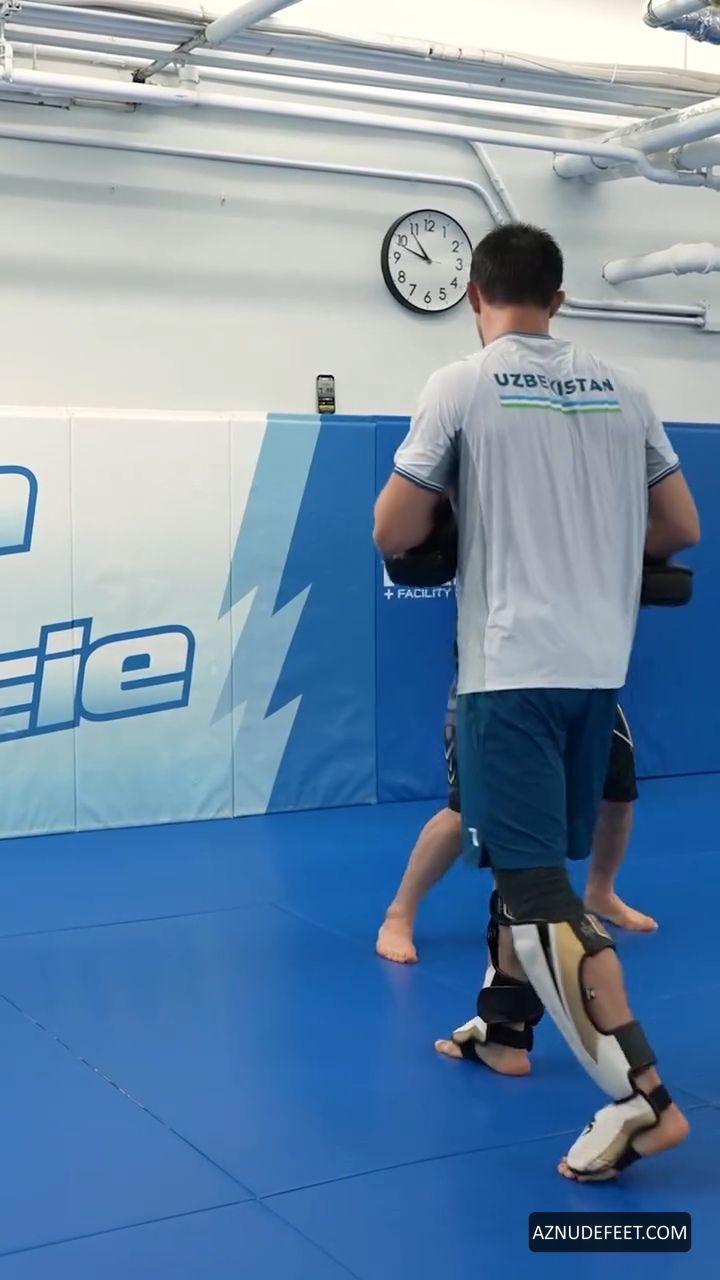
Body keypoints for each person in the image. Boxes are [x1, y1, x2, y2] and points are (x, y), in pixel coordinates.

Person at [373, 223, 699, 1181]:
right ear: (558, 299)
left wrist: (464, 520)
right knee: (529, 863)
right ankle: (507, 1028)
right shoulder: (626, 385)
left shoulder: (462, 383)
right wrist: (595, 543)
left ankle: (642, 1100)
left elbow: (393, 528)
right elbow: (679, 525)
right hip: (597, 668)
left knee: (536, 892)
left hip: (510, 667)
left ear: (475, 295)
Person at [377, 676, 651, 965]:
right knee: (466, 811)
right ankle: (399, 915)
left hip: (584, 687)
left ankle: (600, 893)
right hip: (499, 689)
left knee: (617, 798)